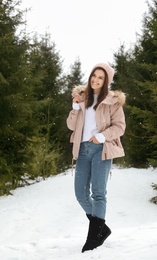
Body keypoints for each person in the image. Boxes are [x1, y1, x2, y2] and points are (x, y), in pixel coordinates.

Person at [66, 62, 126, 253]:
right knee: (80, 193)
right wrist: (75, 107)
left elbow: (119, 127)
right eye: (94, 75)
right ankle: (102, 227)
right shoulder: (81, 99)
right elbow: (71, 125)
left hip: (102, 149)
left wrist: (101, 136)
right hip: (82, 150)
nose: (96, 80)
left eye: (101, 77)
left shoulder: (112, 102)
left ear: (106, 80)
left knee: (98, 193)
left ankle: (93, 238)